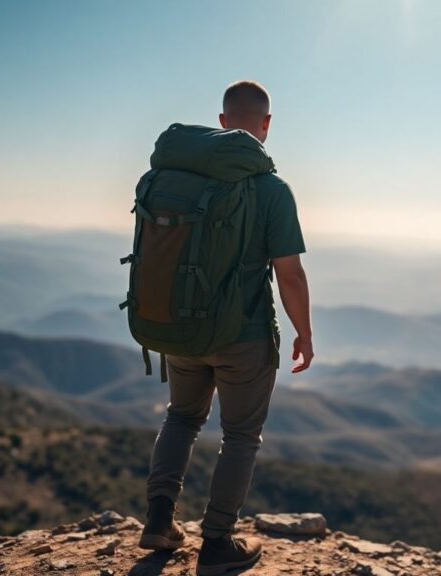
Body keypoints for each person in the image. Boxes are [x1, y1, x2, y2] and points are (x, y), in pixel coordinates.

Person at [139, 80, 314, 575]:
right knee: (240, 437)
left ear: (221, 123)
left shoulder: (181, 179)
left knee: (181, 418)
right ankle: (217, 542)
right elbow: (290, 274)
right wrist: (303, 331)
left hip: (182, 329)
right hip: (244, 337)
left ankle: (158, 519)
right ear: (266, 125)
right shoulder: (272, 189)